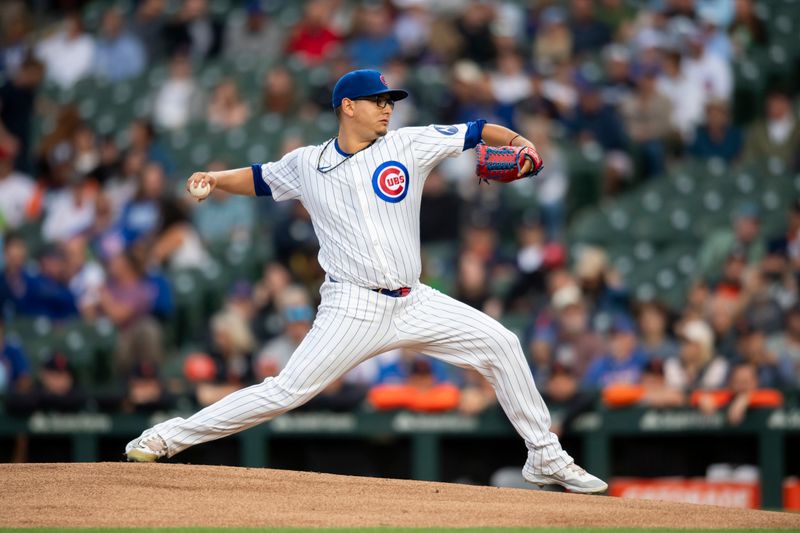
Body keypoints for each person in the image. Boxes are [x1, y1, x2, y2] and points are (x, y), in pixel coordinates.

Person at [125, 69, 607, 493]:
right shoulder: (307, 163)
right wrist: (214, 177)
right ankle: (167, 437)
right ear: (347, 107)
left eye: (390, 101)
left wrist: (518, 143)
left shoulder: (407, 144)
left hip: (414, 300)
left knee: (502, 342)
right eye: (378, 101)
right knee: (285, 391)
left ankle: (544, 454)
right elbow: (258, 177)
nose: (386, 109)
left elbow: (478, 130)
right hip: (352, 306)